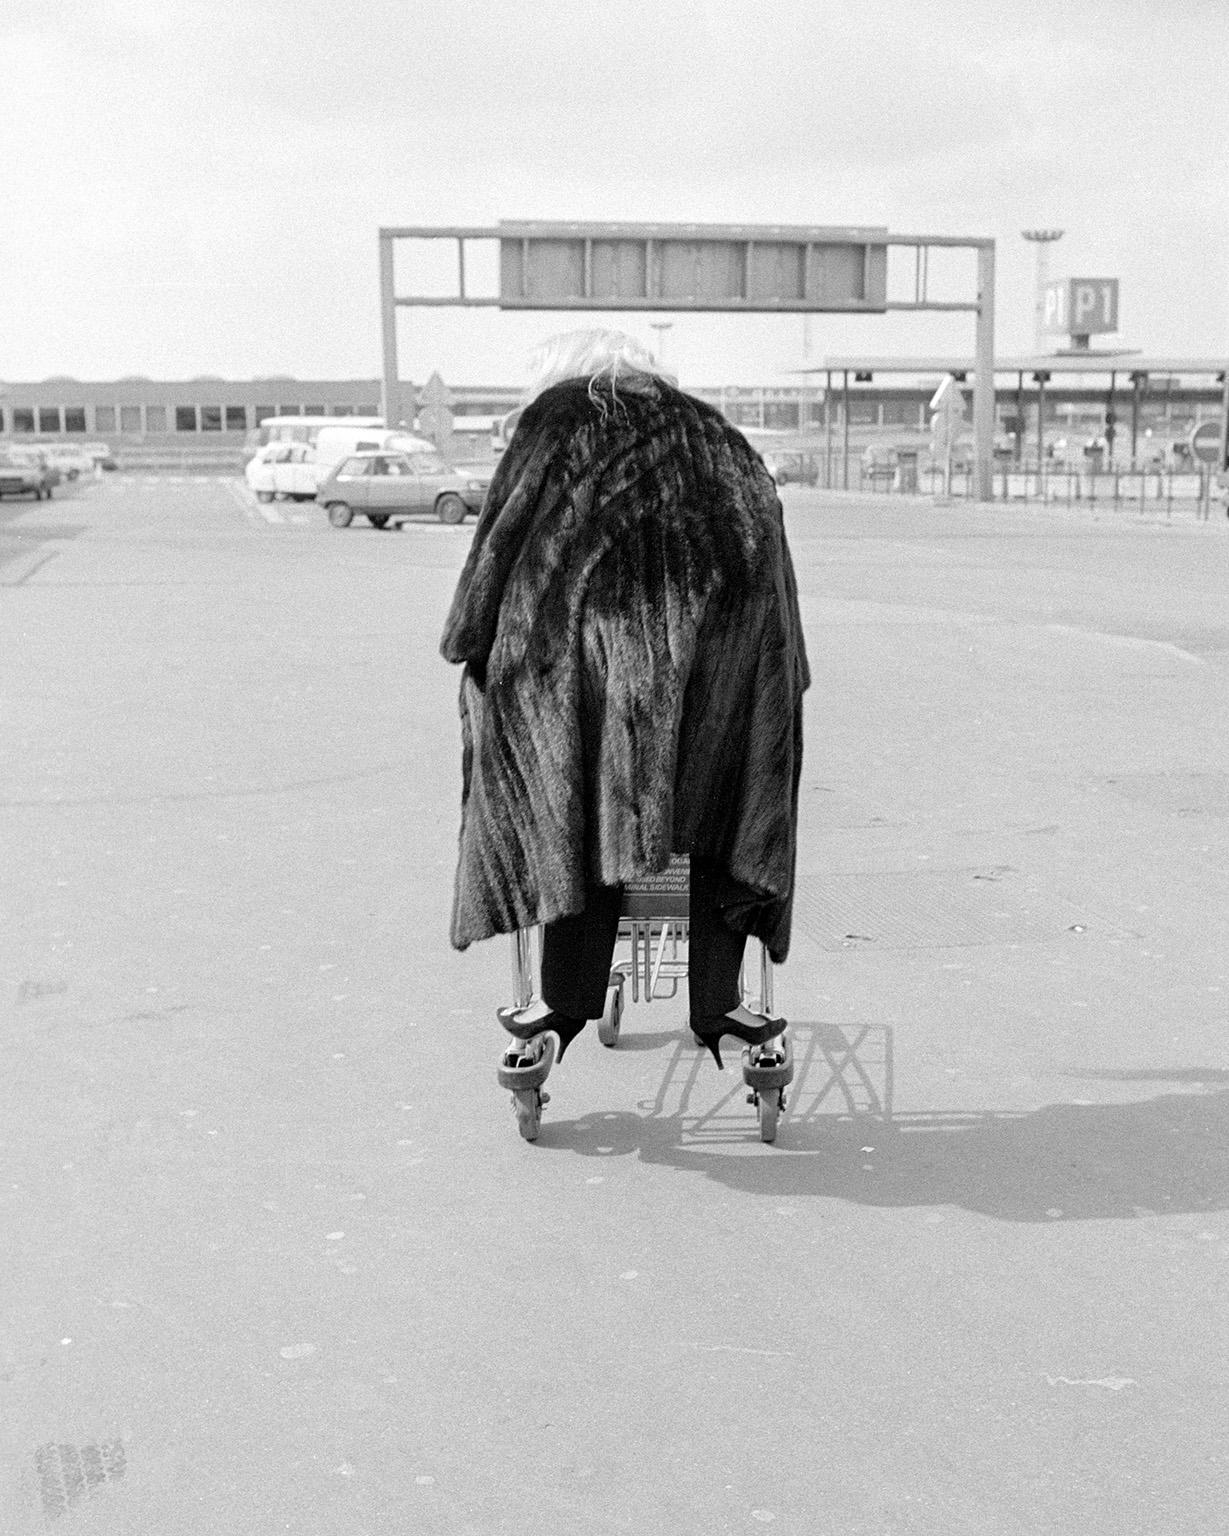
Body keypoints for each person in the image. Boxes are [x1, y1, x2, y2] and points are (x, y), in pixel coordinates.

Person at [440, 329, 809, 1071]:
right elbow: (772, 565)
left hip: (581, 676)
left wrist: (470, 645)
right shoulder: (719, 437)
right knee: (720, 812)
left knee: (569, 799)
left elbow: (493, 561)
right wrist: (768, 678)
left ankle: (562, 1004)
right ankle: (719, 1003)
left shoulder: (551, 427)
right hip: (716, 673)